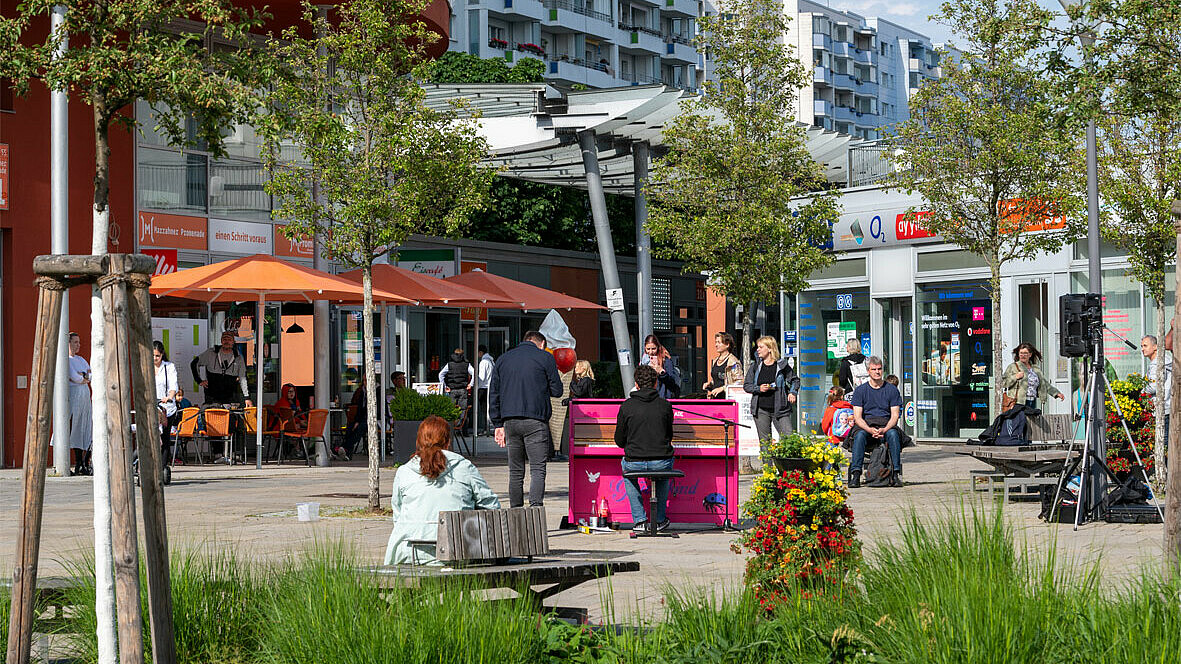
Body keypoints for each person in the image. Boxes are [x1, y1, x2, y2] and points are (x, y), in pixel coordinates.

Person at [383, 416, 500, 565]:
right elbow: (492, 506)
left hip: (408, 553)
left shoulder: (404, 471)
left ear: (418, 441)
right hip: (457, 552)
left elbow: (398, 514)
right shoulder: (464, 467)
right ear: (448, 441)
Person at [490, 330, 563, 507]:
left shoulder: (503, 359)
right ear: (542, 344)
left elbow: (494, 393)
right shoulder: (545, 358)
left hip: (510, 422)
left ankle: (516, 512)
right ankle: (535, 509)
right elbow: (557, 391)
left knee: (515, 471)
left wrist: (497, 423)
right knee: (537, 469)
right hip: (535, 420)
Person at [615, 365, 675, 532]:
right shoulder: (665, 405)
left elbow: (619, 441)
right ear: (656, 384)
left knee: (627, 472)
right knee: (664, 470)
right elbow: (669, 436)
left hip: (634, 462)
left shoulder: (626, 406)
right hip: (661, 462)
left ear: (636, 384)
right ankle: (660, 520)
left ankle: (640, 520)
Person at [848, 356, 904, 488]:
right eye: (874, 369)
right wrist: (869, 429)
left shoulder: (891, 390)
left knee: (893, 434)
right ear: (868, 371)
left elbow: (895, 416)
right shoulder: (860, 391)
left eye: (879, 369)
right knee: (859, 435)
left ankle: (895, 474)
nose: (877, 372)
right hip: (866, 425)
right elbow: (858, 417)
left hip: (886, 425)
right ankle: (856, 474)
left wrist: (884, 429)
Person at [743, 336, 800, 445]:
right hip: (761, 409)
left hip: (780, 409)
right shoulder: (755, 366)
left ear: (770, 348)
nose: (757, 350)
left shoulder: (782, 365)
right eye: (757, 347)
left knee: (789, 440)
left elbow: (795, 380)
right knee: (765, 443)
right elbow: (747, 386)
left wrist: (793, 392)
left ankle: (785, 462)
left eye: (760, 347)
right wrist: (759, 388)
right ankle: (766, 463)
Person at [192, 331, 252, 406]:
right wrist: (199, 381)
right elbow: (194, 363)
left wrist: (247, 397)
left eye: (229, 339)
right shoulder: (211, 353)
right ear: (221, 341)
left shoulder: (238, 357)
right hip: (211, 397)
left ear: (233, 342)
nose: (226, 341)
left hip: (230, 396)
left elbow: (243, 378)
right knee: (210, 416)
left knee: (230, 416)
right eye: (224, 339)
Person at [1001, 342, 1063, 410]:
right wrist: (1015, 377)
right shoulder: (1013, 367)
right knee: (1021, 420)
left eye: (1025, 353)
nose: (1023, 355)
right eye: (1021, 353)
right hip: (1018, 402)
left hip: (1032, 401)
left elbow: (1044, 383)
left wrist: (1056, 393)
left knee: (1031, 420)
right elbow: (1003, 383)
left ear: (1030, 355)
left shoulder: (1035, 369)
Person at [67, 332, 93, 476]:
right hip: (74, 396)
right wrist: (81, 377)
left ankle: (83, 462)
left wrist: (83, 377)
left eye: (79, 342)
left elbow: (89, 375)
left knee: (86, 427)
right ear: (69, 343)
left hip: (84, 395)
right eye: (75, 342)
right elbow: (75, 377)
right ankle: (77, 461)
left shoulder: (81, 359)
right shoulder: (67, 360)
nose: (78, 345)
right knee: (74, 426)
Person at [1141, 334, 1173, 445]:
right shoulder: (1165, 360)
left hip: (1162, 407)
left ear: (1155, 347)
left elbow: (1154, 386)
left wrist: (1141, 392)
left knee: (1163, 443)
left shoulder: (1157, 364)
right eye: (1142, 346)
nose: (1142, 349)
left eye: (1145, 346)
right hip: (1166, 406)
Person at [152, 341, 179, 465]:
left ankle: (162, 466)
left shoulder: (169, 367)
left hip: (166, 407)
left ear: (162, 354)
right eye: (152, 356)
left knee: (165, 437)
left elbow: (173, 385)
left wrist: (170, 396)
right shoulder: (147, 366)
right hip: (152, 406)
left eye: (157, 356)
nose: (155, 359)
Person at [438, 348, 474, 433]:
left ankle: (451, 427)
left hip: (452, 389)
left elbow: (441, 374)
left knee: (451, 409)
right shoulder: (466, 364)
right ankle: (462, 428)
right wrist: (471, 384)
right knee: (463, 409)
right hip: (462, 389)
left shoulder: (449, 364)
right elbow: (474, 373)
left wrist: (445, 386)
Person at [703, 332, 743, 399]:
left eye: (719, 342)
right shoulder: (715, 361)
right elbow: (718, 380)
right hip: (715, 399)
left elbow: (739, 382)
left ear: (727, 344)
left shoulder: (733, 362)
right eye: (716, 342)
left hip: (727, 399)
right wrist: (710, 385)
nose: (716, 345)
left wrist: (723, 388)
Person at [642, 335, 681, 399]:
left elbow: (672, 383)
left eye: (653, 349)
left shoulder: (666, 361)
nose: (651, 352)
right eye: (648, 349)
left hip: (663, 398)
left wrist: (661, 372)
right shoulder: (644, 361)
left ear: (658, 347)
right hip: (649, 398)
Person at [476, 346, 494, 435]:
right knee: (488, 408)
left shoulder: (483, 362)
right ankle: (488, 428)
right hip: (490, 387)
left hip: (483, 388)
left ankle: (485, 429)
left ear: (480, 352)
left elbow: (481, 377)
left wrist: (476, 385)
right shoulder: (491, 361)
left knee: (483, 409)